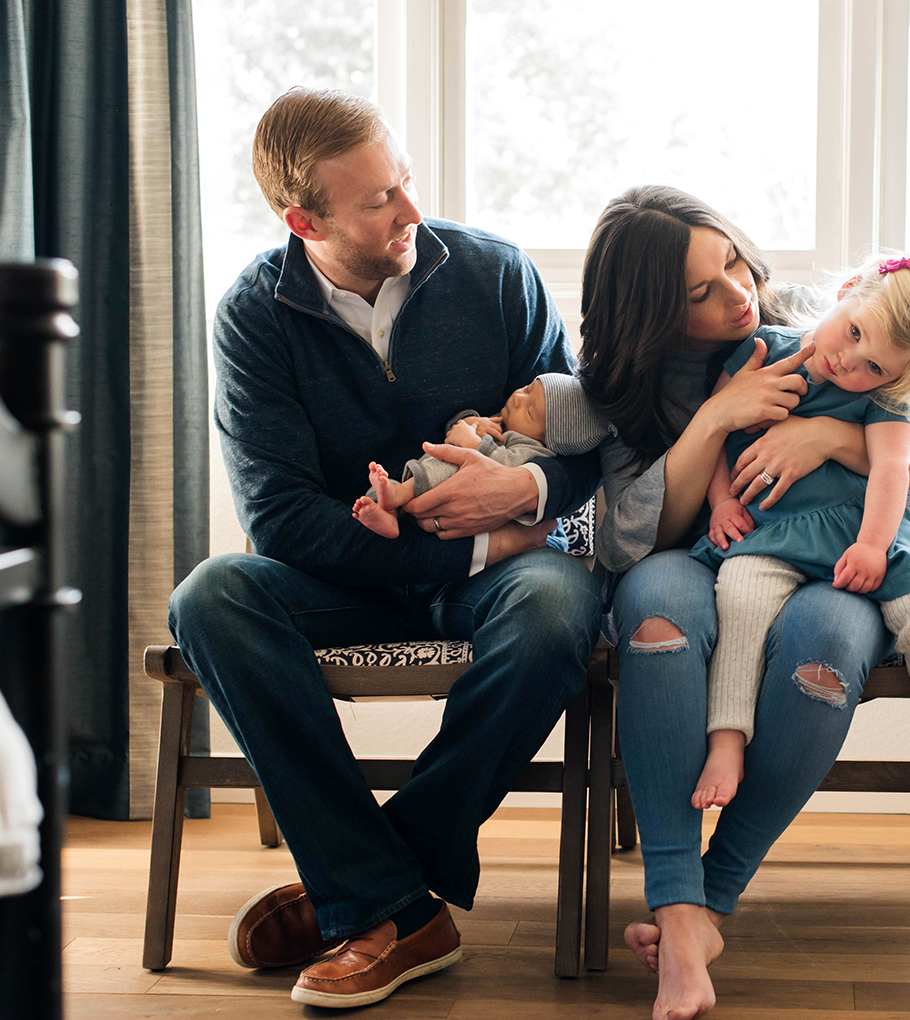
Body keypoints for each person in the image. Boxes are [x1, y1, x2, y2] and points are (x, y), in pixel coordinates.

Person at [166, 88, 602, 1010]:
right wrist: (463, 552)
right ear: (302, 219)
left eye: (404, 181)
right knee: (211, 594)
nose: (411, 211)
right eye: (377, 200)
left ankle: (367, 892)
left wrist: (528, 492)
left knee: (561, 606)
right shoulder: (254, 316)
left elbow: (589, 442)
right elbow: (279, 517)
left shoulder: (496, 274)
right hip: (357, 574)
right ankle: (396, 902)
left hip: (505, 573)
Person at [578, 186, 910, 1020]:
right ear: (651, 310)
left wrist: (830, 438)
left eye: (731, 260)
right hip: (697, 554)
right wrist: (717, 419)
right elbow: (626, 539)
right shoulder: (622, 384)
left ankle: (707, 907)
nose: (736, 293)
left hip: (835, 560)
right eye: (700, 291)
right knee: (656, 615)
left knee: (822, 642)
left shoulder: (821, 322)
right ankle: (678, 906)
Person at [688, 255, 910, 819]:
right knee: (738, 596)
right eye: (853, 332)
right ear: (849, 289)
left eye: (873, 366)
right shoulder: (762, 352)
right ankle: (726, 741)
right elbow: (717, 429)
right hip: (773, 527)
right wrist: (721, 502)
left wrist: (874, 546)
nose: (848, 361)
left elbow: (891, 471)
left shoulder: (887, 399)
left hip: (861, 527)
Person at [352, 373, 613, 539]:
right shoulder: (505, 425)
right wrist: (470, 421)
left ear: (547, 440)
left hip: (454, 495)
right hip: (433, 480)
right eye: (527, 388)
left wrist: (477, 444)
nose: (518, 398)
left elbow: (504, 470)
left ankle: (395, 498)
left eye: (530, 411)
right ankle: (385, 511)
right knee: (385, 483)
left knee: (434, 474)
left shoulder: (532, 450)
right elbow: (459, 427)